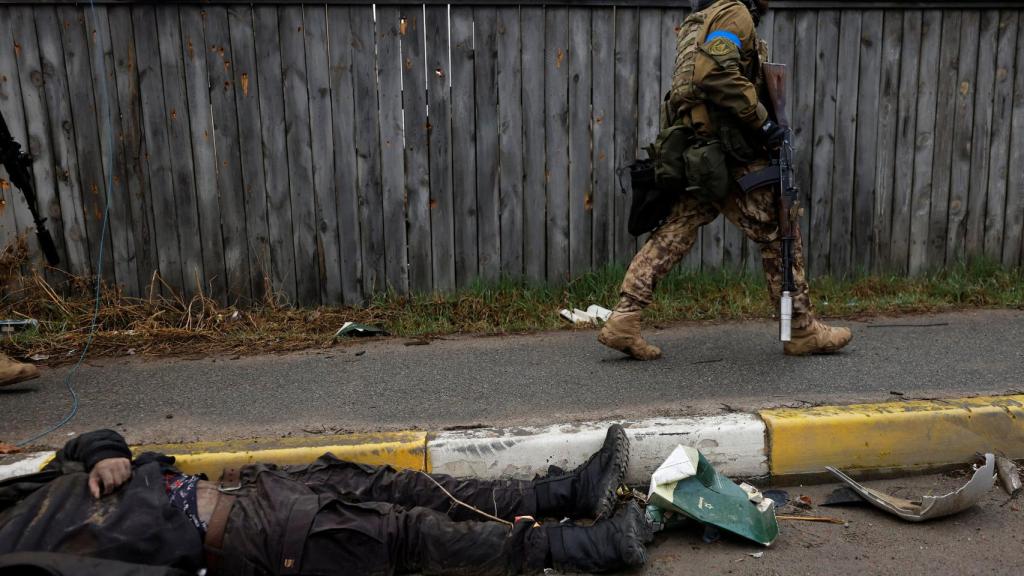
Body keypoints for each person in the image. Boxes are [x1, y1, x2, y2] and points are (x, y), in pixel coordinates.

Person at [0, 425, 652, 575]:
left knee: (404, 484)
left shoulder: (14, 494)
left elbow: (82, 444)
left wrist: (107, 451)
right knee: (405, 532)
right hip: (238, 535)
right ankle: (584, 546)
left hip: (249, 486)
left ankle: (564, 492)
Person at [599, 0, 852, 360]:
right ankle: (799, 328)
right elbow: (712, 73)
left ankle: (624, 317)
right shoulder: (735, 13)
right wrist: (764, 124)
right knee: (780, 228)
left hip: (702, 150)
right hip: (731, 152)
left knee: (677, 229)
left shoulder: (697, 20)